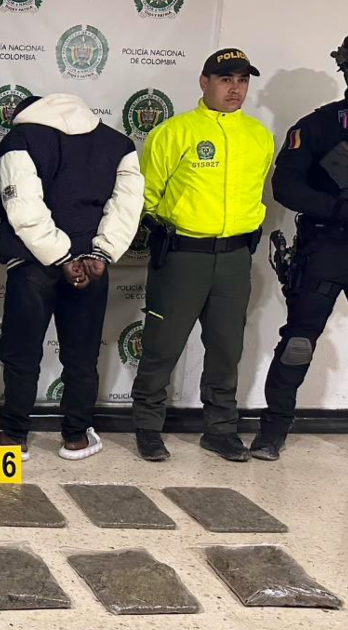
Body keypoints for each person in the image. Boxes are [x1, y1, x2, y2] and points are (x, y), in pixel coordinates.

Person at [251, 22, 348, 474]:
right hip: (328, 247)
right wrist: (340, 210)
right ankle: (273, 430)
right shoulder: (319, 125)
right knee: (299, 343)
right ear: (346, 68)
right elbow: (286, 185)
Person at [0, 93, 144, 461]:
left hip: (33, 263)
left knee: (22, 353)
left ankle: (13, 437)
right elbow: (127, 207)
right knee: (82, 355)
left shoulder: (20, 139)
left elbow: (23, 205)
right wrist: (102, 253)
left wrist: (59, 256)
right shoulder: (119, 144)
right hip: (92, 263)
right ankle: (76, 437)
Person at [131, 48, 275, 463]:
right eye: (226, 79)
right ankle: (148, 427)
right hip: (183, 256)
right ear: (204, 82)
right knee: (162, 345)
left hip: (235, 257)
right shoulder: (173, 132)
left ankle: (220, 430)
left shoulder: (259, 136)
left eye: (243, 80)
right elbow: (147, 195)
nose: (236, 89)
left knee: (227, 348)